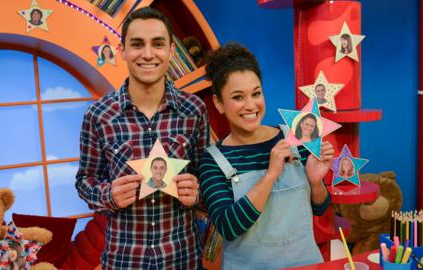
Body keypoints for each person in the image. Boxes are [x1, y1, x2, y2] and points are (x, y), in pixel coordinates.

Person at [75, 7, 209, 270]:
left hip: (183, 258)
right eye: (137, 44)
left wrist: (198, 191)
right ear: (122, 50)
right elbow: (84, 182)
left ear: (171, 50)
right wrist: (108, 194)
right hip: (124, 260)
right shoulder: (99, 115)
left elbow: (207, 176)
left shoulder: (194, 110)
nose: (148, 54)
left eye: (157, 44)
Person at [199, 43, 333, 269]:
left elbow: (320, 208)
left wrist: (316, 182)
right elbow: (228, 227)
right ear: (219, 103)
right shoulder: (213, 160)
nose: (251, 105)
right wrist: (270, 175)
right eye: (238, 97)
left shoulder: (294, 138)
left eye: (256, 93)